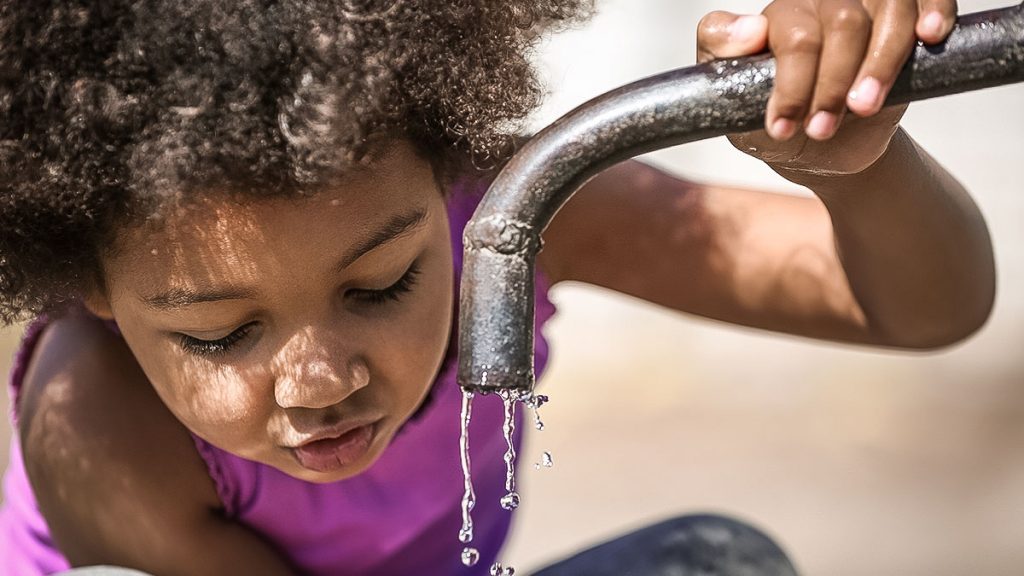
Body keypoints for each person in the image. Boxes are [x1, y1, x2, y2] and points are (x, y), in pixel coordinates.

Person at [0, 0, 993, 574]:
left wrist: (852, 162)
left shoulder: (513, 221)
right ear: (88, 280)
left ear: (449, 183)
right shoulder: (95, 419)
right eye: (220, 337)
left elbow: (925, 307)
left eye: (382, 284)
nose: (317, 383)